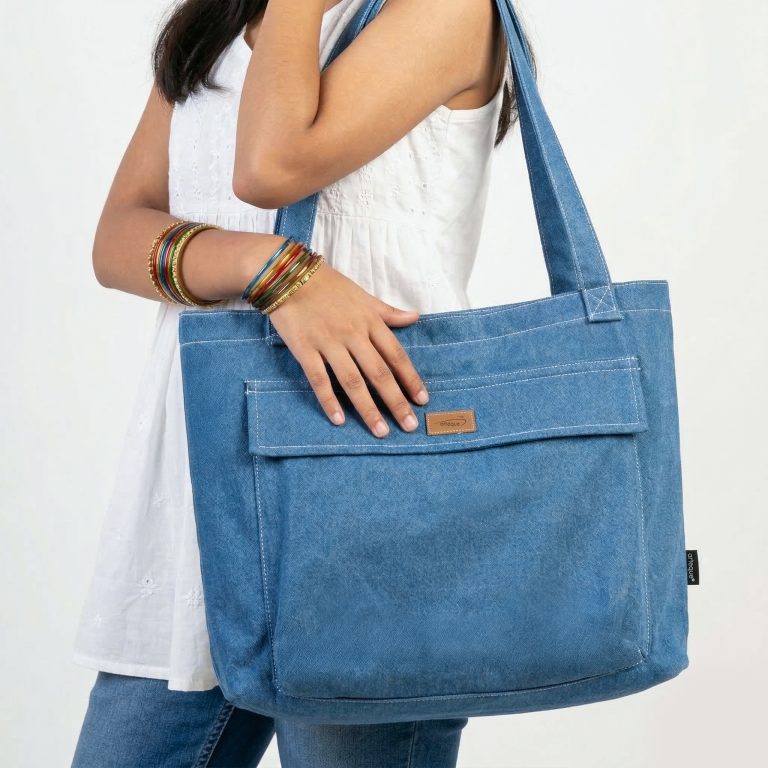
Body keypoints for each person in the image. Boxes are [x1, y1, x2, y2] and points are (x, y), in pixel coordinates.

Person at [70, 0, 535, 765]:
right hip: (201, 490)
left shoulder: (447, 8)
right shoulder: (221, 15)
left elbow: (269, 168)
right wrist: (272, 269)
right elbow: (118, 235)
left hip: (367, 480)